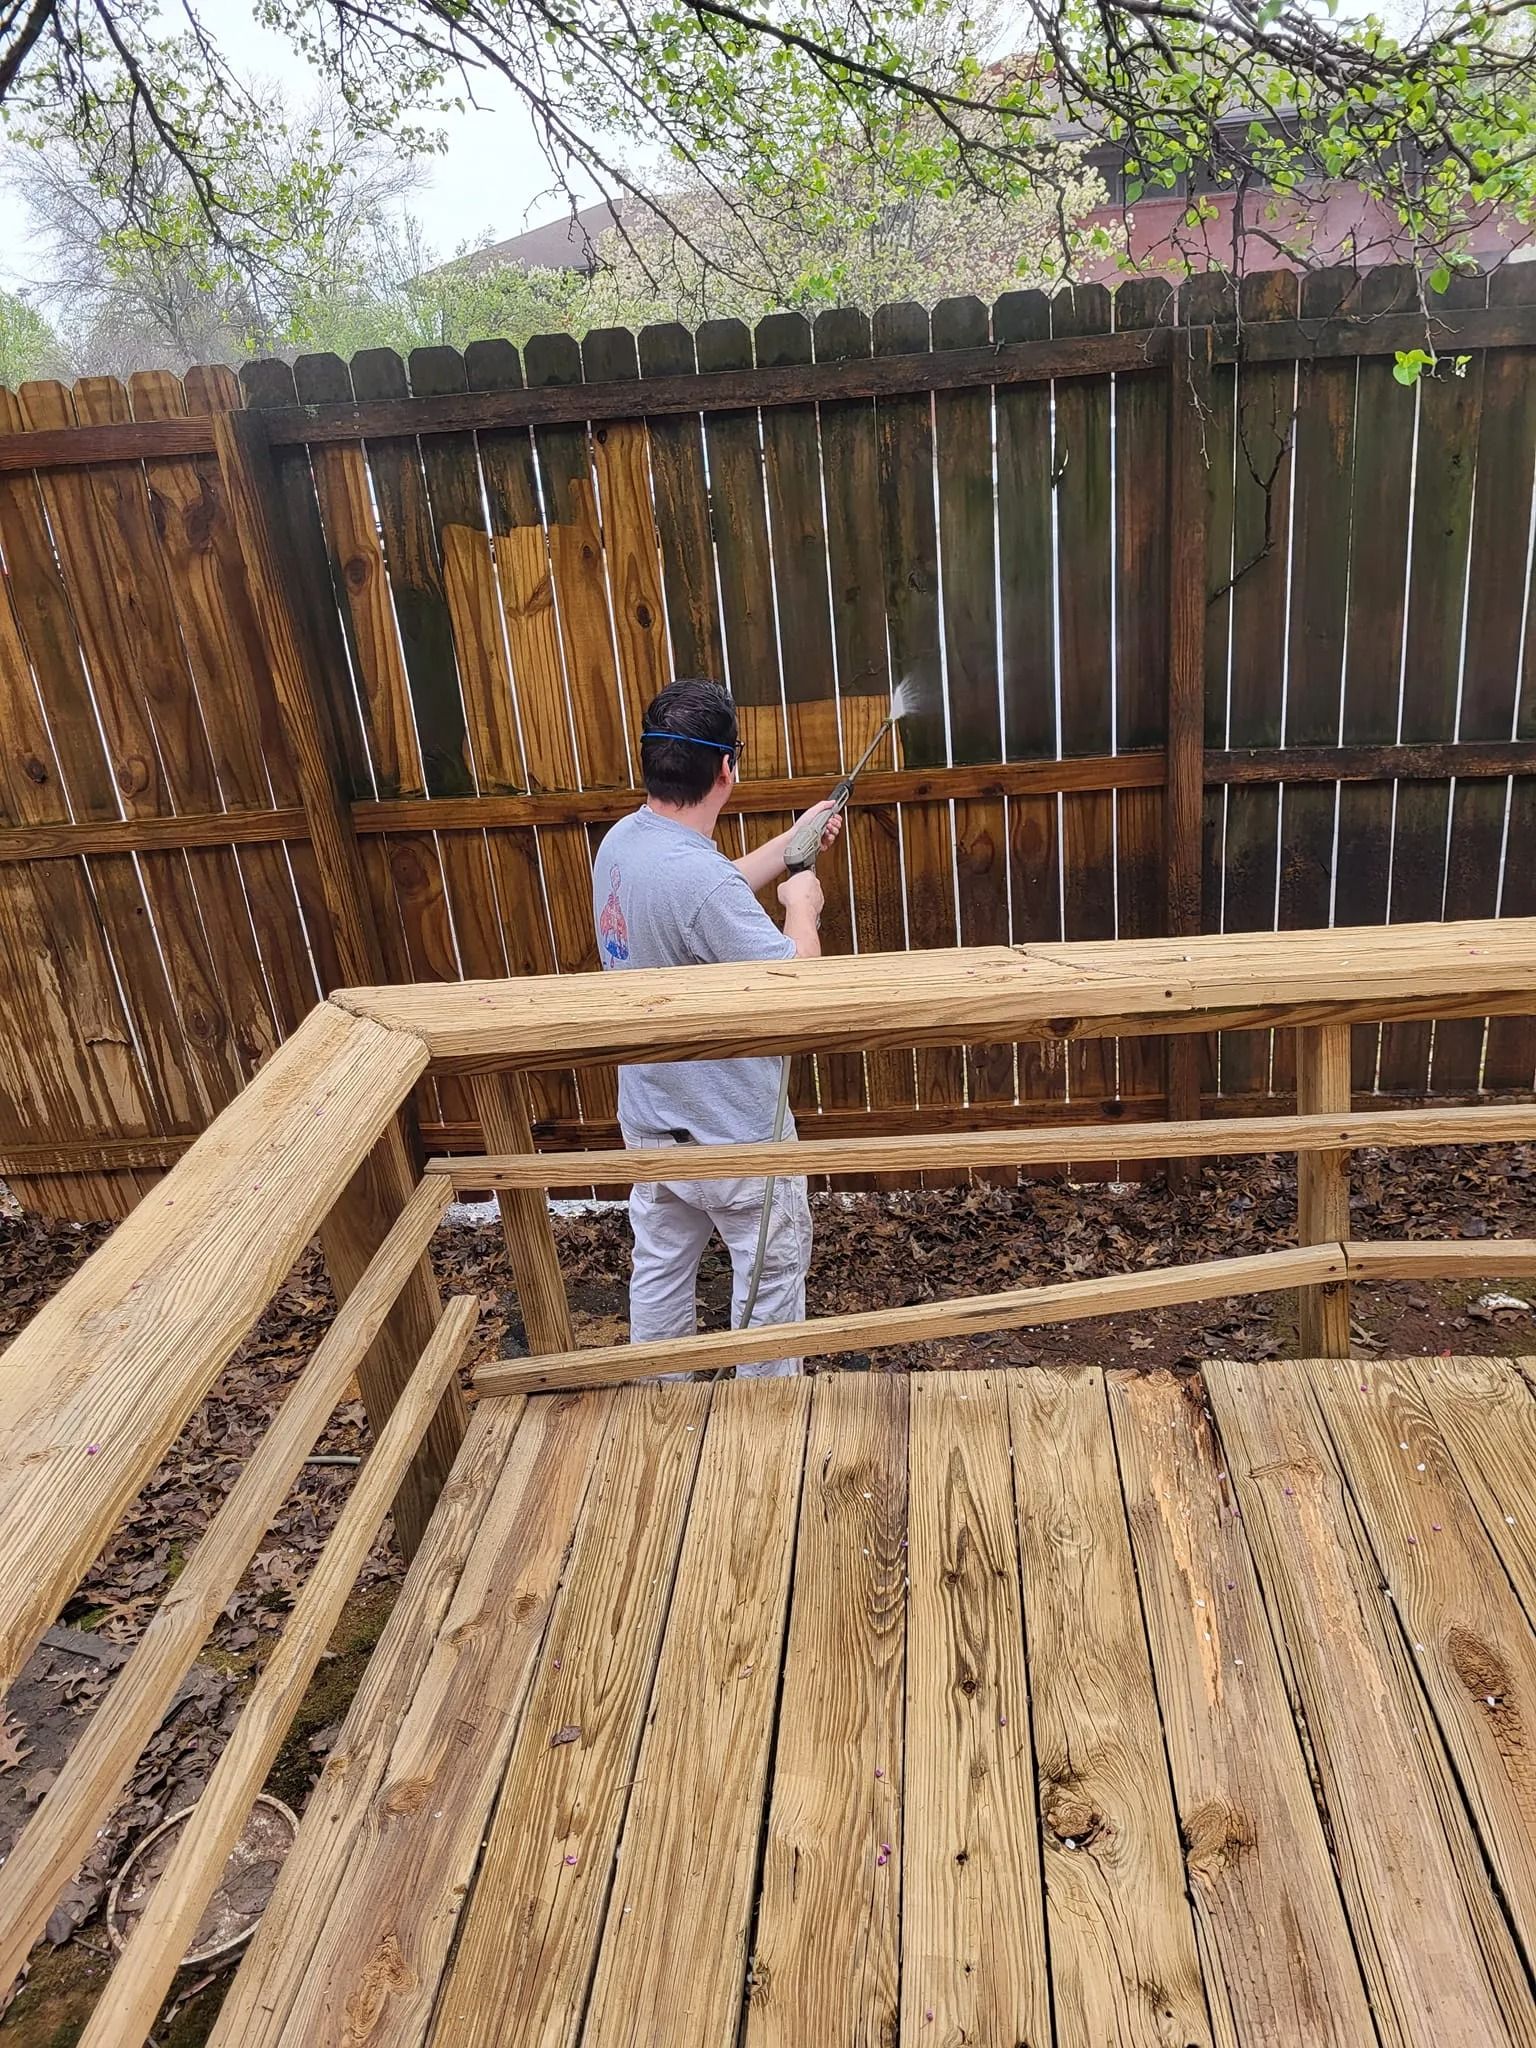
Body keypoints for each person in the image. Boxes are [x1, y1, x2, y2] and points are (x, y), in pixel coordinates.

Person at [591, 676, 840, 1376]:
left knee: (661, 1272)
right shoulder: (698, 883)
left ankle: (660, 1410)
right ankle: (761, 1426)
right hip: (735, 1138)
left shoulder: (624, 844)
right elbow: (796, 988)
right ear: (726, 767)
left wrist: (791, 843)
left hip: (654, 1125)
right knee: (769, 1285)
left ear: (654, 761)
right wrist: (802, 904)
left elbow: (703, 897)